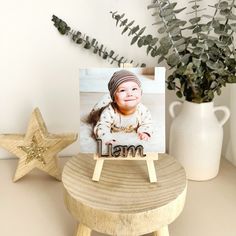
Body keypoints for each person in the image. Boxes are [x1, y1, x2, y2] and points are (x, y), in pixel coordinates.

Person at [89, 70, 153, 144]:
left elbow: (147, 123)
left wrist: (145, 132)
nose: (130, 94)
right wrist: (107, 138)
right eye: (122, 90)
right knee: (94, 115)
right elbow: (101, 127)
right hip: (102, 109)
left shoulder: (143, 110)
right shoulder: (109, 111)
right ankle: (106, 99)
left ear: (141, 93)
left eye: (134, 89)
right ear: (114, 98)